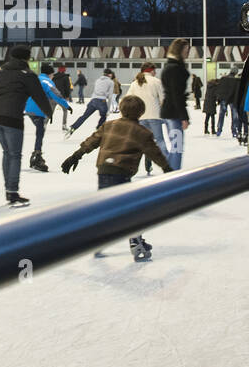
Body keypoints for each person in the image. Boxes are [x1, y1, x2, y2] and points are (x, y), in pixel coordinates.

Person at [61, 94, 171, 260]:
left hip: (104, 170)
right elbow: (155, 153)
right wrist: (167, 169)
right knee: (130, 210)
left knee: (105, 208)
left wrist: (75, 156)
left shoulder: (109, 125)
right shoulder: (142, 132)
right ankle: (135, 242)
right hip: (121, 173)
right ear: (141, 112)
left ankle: (98, 242)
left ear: (121, 109)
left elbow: (91, 141)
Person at [0, 44, 51, 207]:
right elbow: (39, 96)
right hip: (11, 117)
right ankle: (12, 193)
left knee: (7, 153)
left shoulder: (1, 72)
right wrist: (49, 112)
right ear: (27, 57)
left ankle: (9, 191)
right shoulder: (27, 74)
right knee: (14, 155)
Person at [24, 62, 71, 172]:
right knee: (40, 132)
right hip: (38, 110)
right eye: (52, 74)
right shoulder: (47, 81)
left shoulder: (35, 79)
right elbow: (56, 95)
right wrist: (67, 106)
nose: (53, 76)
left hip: (29, 109)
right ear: (50, 74)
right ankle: (37, 156)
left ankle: (36, 154)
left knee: (40, 131)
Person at [125, 64, 169, 175]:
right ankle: (169, 165)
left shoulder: (135, 83)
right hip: (154, 115)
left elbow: (128, 99)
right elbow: (163, 99)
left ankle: (141, 165)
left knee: (141, 142)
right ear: (151, 70)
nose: (156, 72)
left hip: (140, 116)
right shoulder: (156, 81)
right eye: (155, 70)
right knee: (159, 141)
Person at [159, 38, 191, 170]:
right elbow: (176, 95)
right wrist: (184, 116)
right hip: (173, 114)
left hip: (170, 112)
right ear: (180, 50)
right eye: (186, 49)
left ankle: (171, 173)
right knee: (177, 147)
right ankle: (172, 177)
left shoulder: (170, 66)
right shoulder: (175, 69)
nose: (188, 52)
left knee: (176, 146)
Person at [66, 69, 116, 136]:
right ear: (110, 75)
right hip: (102, 101)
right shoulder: (110, 82)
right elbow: (110, 96)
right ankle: (98, 130)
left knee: (84, 116)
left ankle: (73, 127)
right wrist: (108, 110)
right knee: (104, 116)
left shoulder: (98, 80)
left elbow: (96, 90)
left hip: (93, 100)